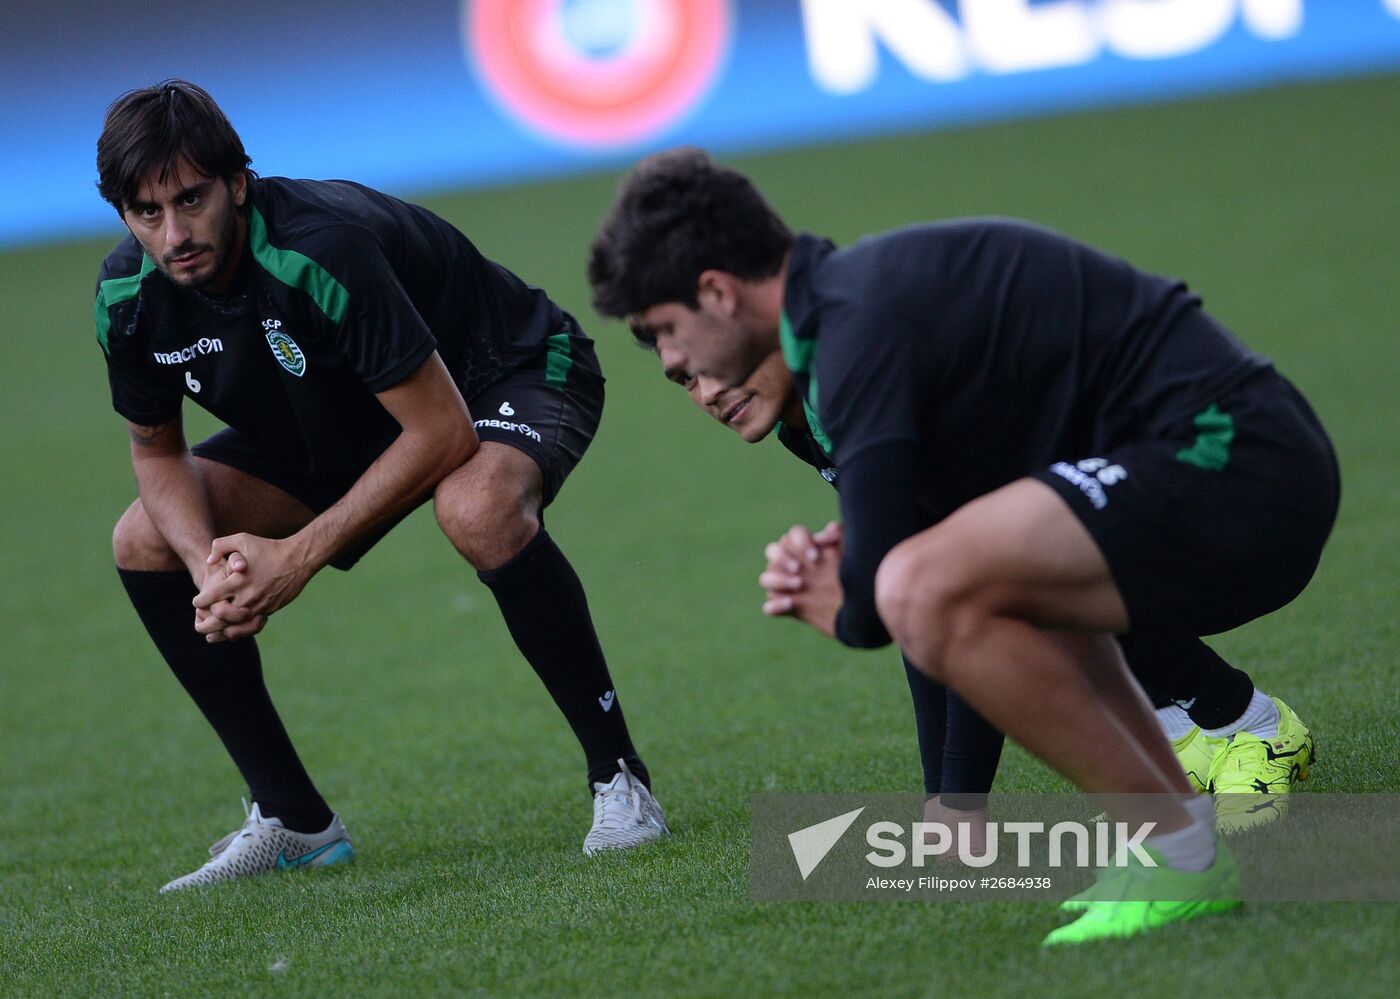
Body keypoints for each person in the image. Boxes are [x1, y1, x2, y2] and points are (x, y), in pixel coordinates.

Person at [587, 148, 1337, 944]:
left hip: (1240, 470)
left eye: (666, 331)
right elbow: (929, 564)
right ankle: (1178, 840)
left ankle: (1205, 800)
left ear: (716, 291)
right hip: (1239, 478)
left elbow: (893, 597)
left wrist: (848, 606)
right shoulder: (846, 313)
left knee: (927, 582)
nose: (674, 362)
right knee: (949, 572)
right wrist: (952, 798)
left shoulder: (857, 328)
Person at [93, 80, 668, 893]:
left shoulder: (322, 246)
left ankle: (621, 778)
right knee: (144, 538)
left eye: (191, 199)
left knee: (476, 505)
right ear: (122, 213)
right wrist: (207, 570)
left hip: (502, 370)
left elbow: (442, 432)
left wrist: (292, 560)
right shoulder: (125, 298)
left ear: (238, 183)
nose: (175, 233)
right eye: (146, 212)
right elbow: (156, 456)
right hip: (340, 419)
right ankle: (295, 821)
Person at [667, 352, 1315, 837]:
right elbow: (919, 574)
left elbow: (941, 593)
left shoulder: (843, 390)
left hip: (1215, 469)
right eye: (685, 380)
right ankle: (1186, 733)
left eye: (712, 364)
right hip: (1127, 482)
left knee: (1018, 572)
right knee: (1009, 570)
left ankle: (1252, 725)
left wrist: (952, 798)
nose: (709, 391)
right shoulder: (802, 421)